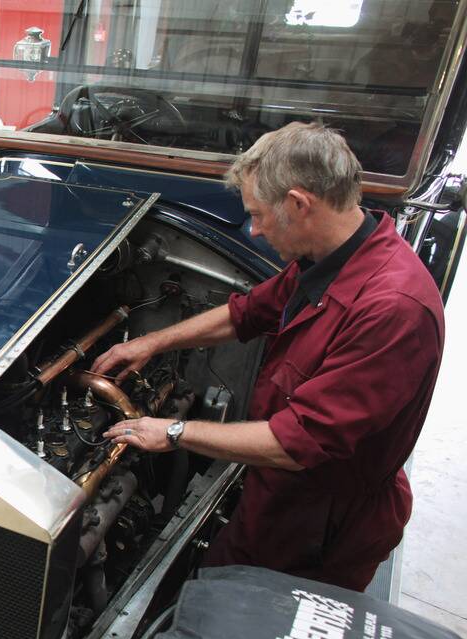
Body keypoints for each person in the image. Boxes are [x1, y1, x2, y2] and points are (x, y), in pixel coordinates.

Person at [91, 121, 446, 592]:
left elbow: (295, 443)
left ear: (299, 204)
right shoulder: (329, 258)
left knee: (246, 626)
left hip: (320, 529)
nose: (254, 231)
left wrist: (174, 432)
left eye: (258, 215)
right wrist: (150, 342)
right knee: (216, 588)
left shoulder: (392, 309)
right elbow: (246, 313)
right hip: (275, 496)